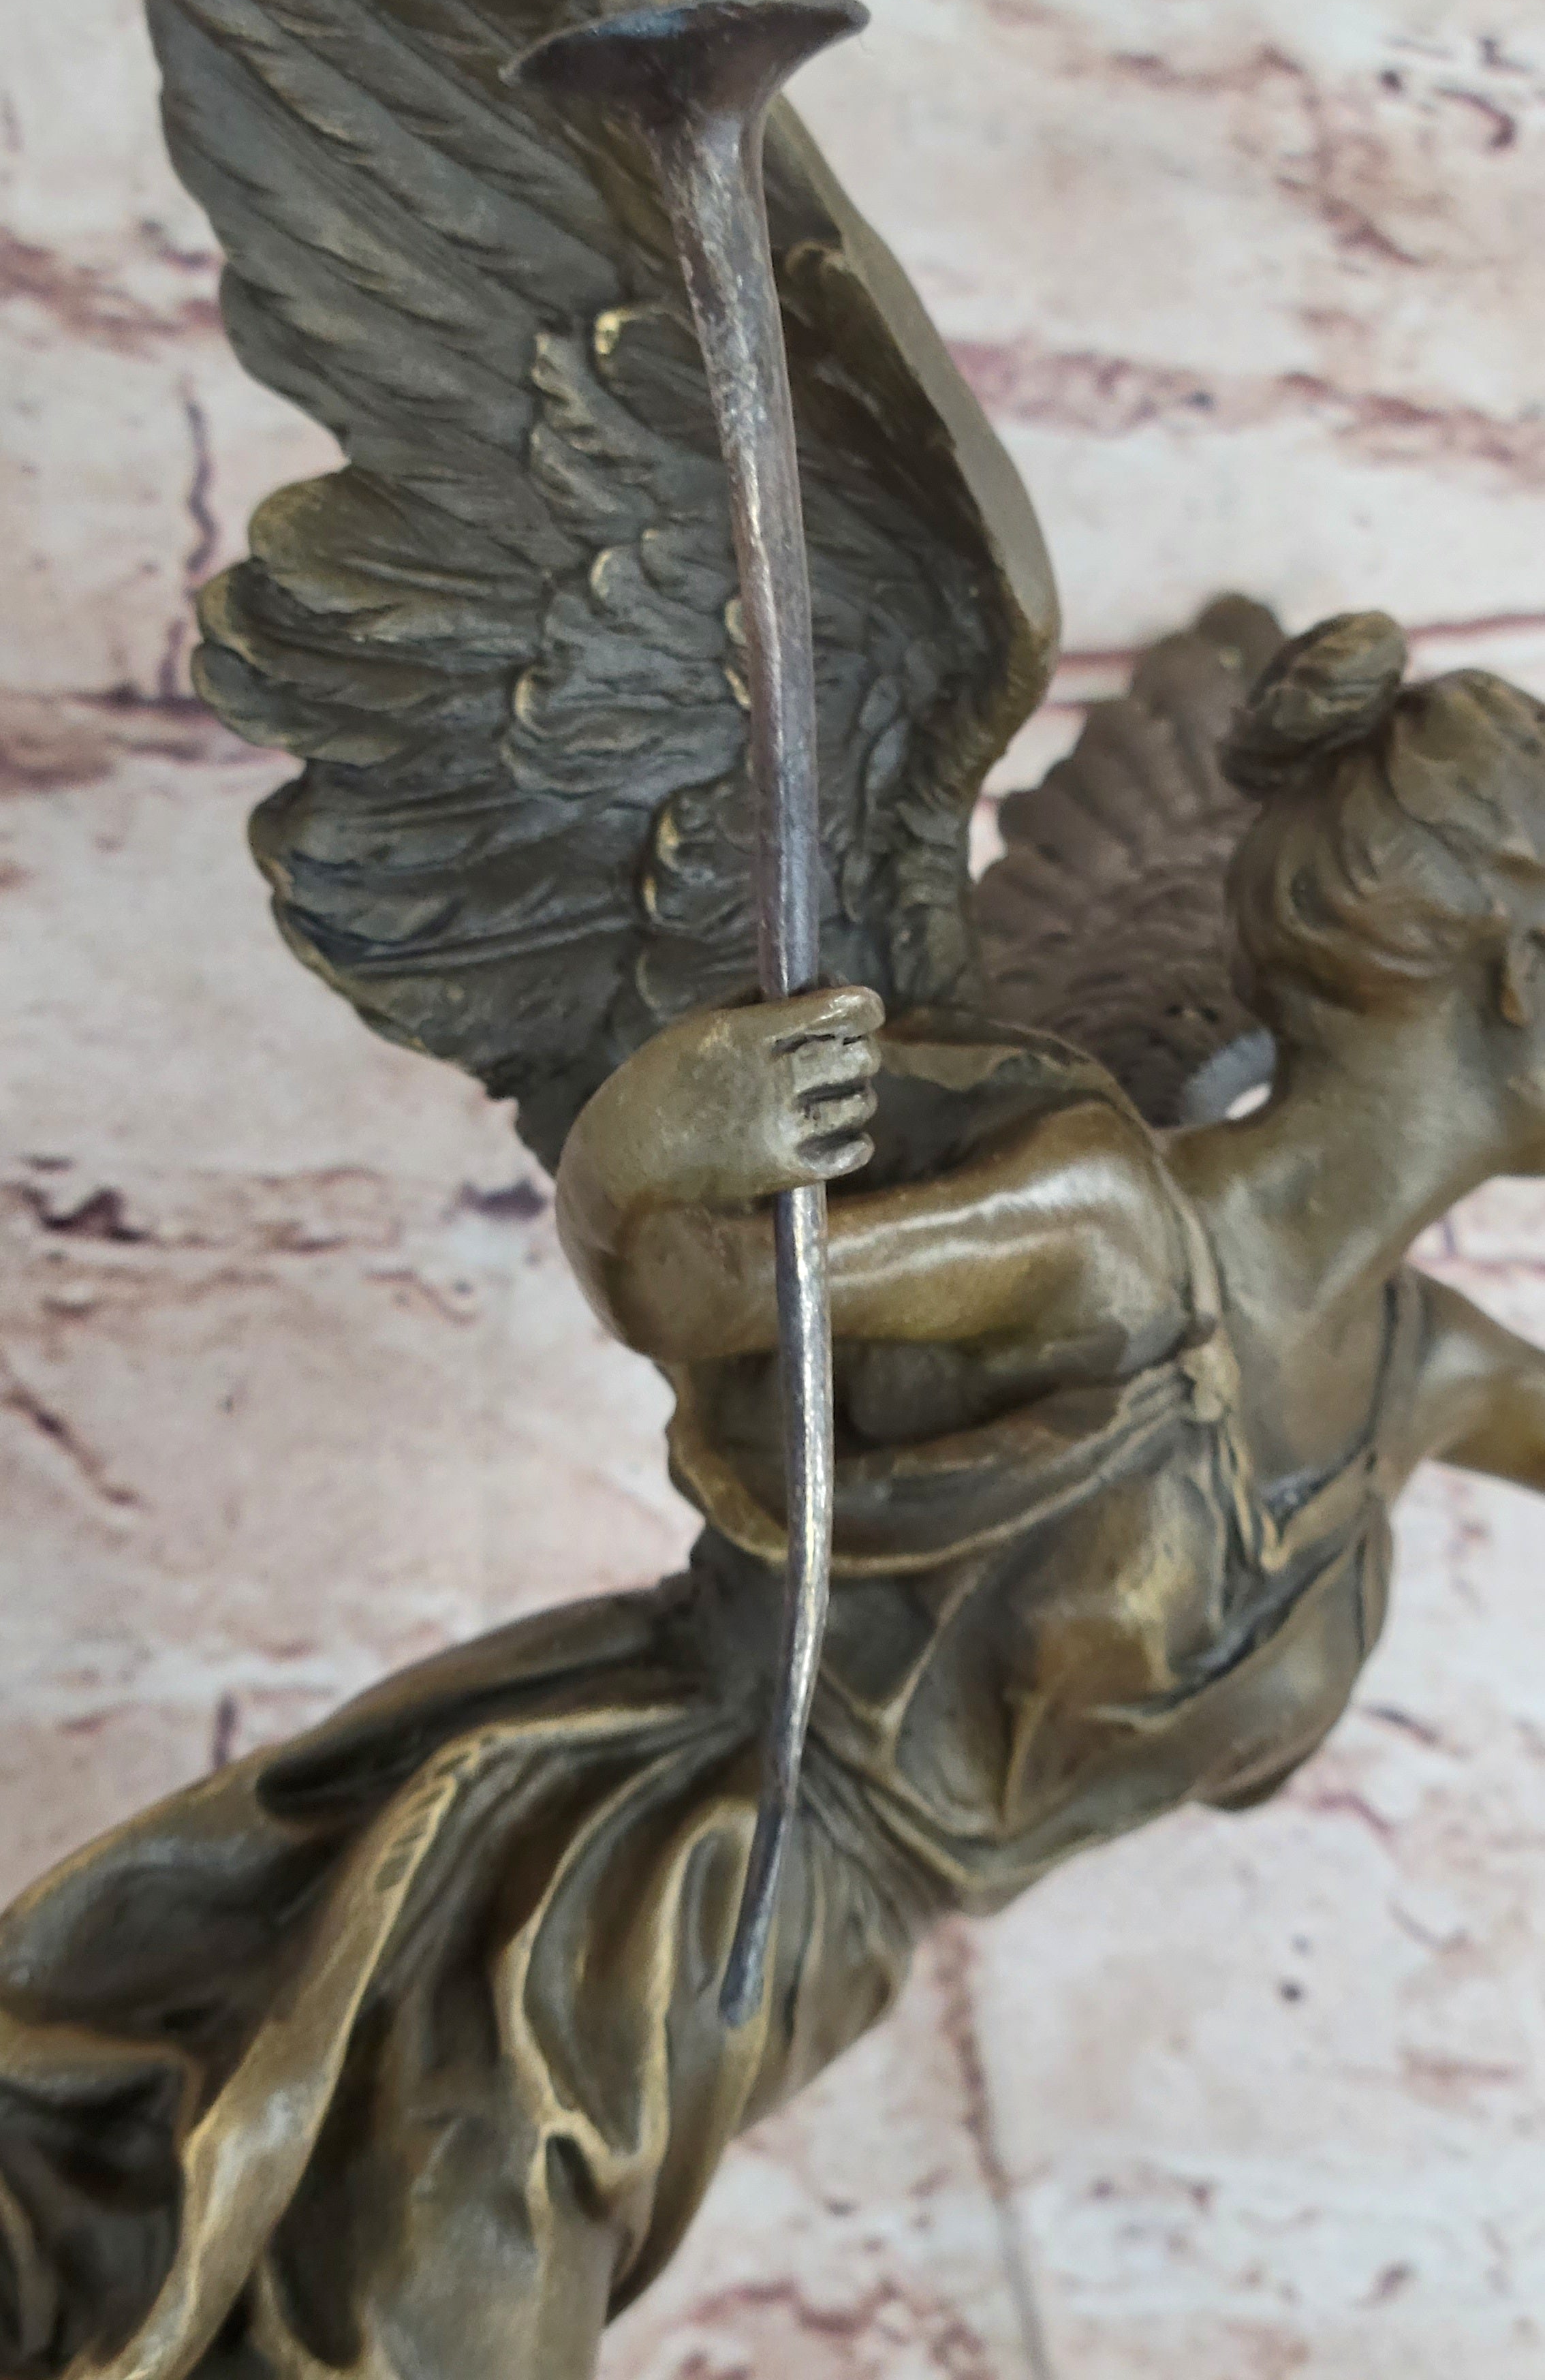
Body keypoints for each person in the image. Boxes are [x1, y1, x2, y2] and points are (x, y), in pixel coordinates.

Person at [2, 613, 1544, 2380]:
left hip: (782, 1977)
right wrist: (642, 1153)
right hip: (622, 1902)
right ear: (1520, 969)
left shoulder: (1422, 1367)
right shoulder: (1102, 1232)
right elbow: (702, 1287)